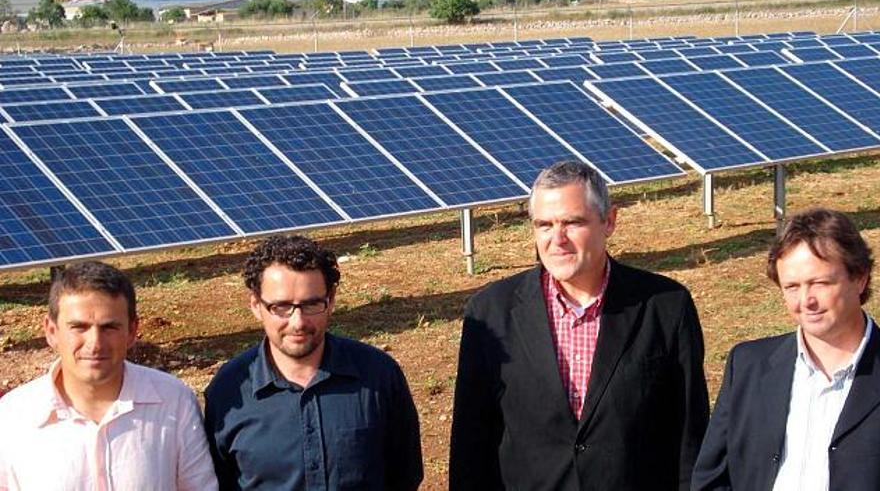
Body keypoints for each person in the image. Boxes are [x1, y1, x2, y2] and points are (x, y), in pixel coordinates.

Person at [449, 160, 710, 490]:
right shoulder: (490, 313)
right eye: (544, 225)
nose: (557, 239)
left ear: (609, 221)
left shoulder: (666, 307)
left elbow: (690, 436)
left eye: (572, 223)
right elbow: (471, 445)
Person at [204, 235, 423, 491]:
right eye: (281, 307)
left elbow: (404, 475)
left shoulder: (379, 376)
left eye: (311, 304)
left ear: (330, 301)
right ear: (256, 305)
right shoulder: (229, 391)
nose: (298, 322)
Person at [692, 208, 880, 491]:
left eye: (820, 283)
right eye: (792, 287)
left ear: (859, 278)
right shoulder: (747, 366)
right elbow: (711, 478)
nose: (806, 300)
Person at [0, 261, 217, 491]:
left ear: (132, 331)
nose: (95, 344)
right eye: (79, 327)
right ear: (52, 331)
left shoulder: (174, 402)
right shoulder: (13, 417)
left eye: (109, 327)